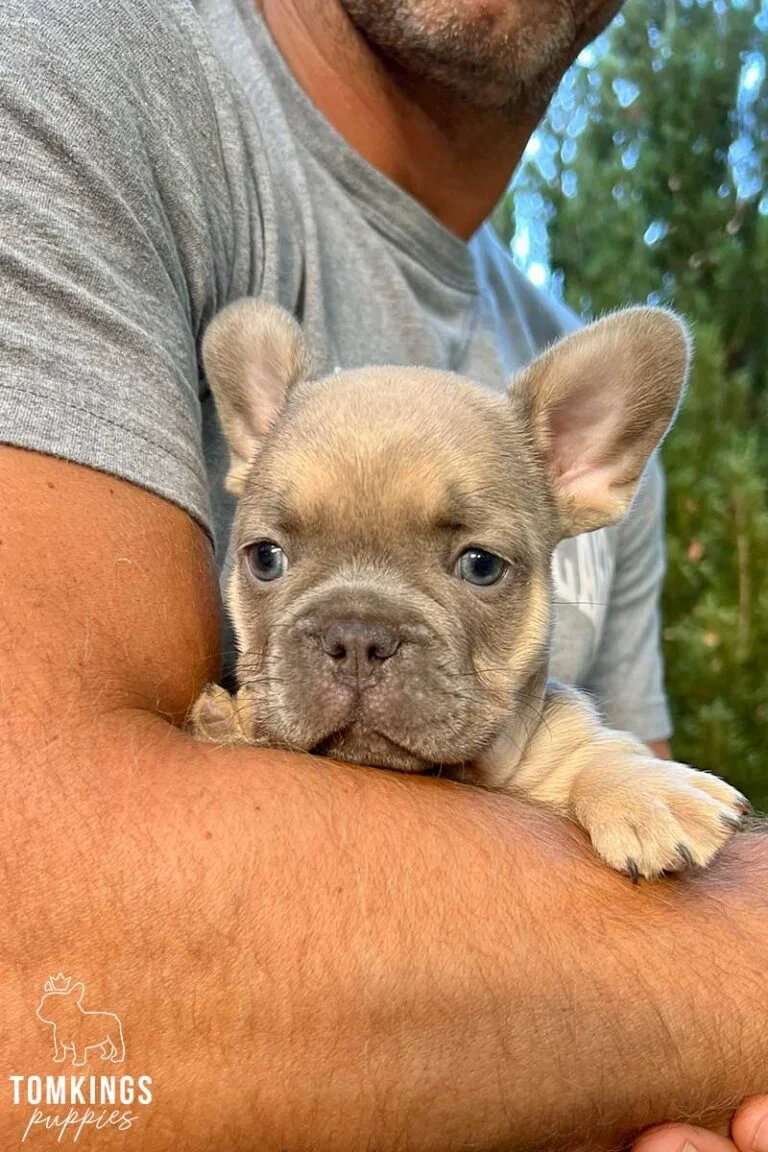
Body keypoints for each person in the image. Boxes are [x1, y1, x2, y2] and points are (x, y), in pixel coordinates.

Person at [0, 0, 766, 1148]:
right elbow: (46, 987)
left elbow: (649, 844)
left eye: (474, 565)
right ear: (247, 441)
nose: (354, 640)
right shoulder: (72, 72)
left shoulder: (559, 424)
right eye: (271, 558)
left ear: (583, 473)